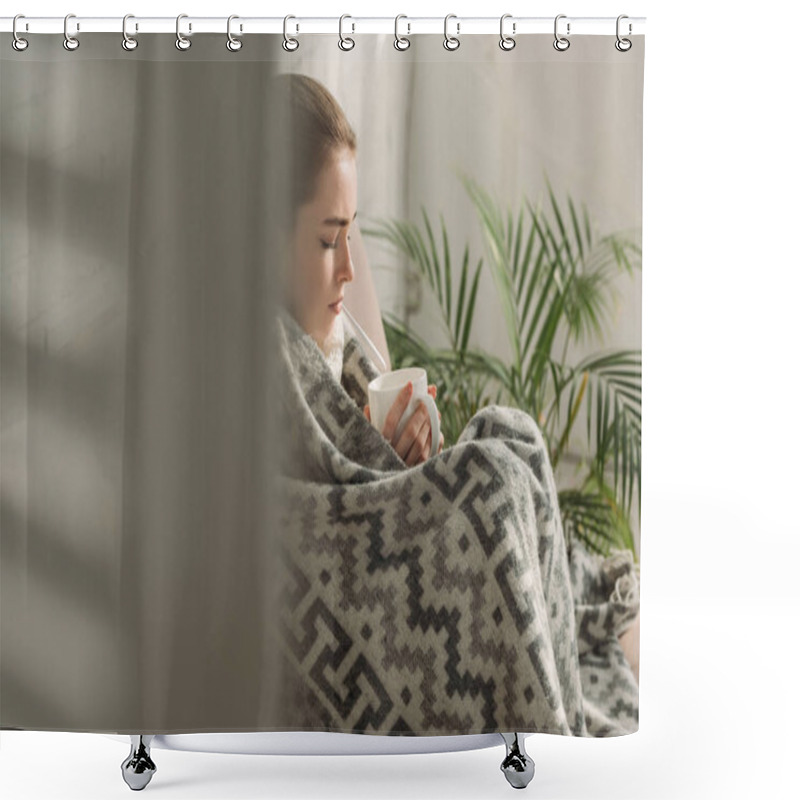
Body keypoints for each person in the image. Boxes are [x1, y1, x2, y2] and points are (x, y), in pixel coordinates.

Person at [275, 72, 444, 468]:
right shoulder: (248, 371)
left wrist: (405, 460)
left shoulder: (341, 350)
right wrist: (376, 464)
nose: (350, 271)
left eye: (350, 235)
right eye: (329, 241)